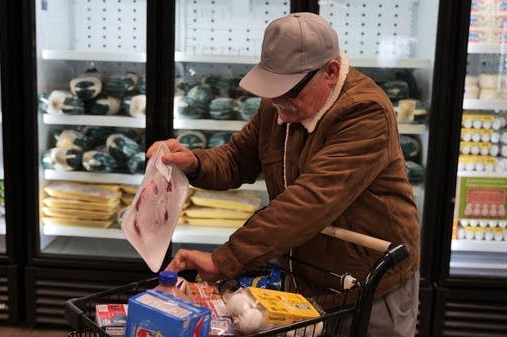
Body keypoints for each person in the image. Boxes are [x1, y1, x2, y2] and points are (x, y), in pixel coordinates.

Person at [147, 12, 420, 337]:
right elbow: (237, 159)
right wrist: (193, 162)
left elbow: (309, 202)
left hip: (369, 282)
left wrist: (224, 260)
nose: (278, 104)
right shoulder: (279, 104)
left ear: (330, 72)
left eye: (289, 92)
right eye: (271, 90)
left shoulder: (364, 113)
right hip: (304, 276)